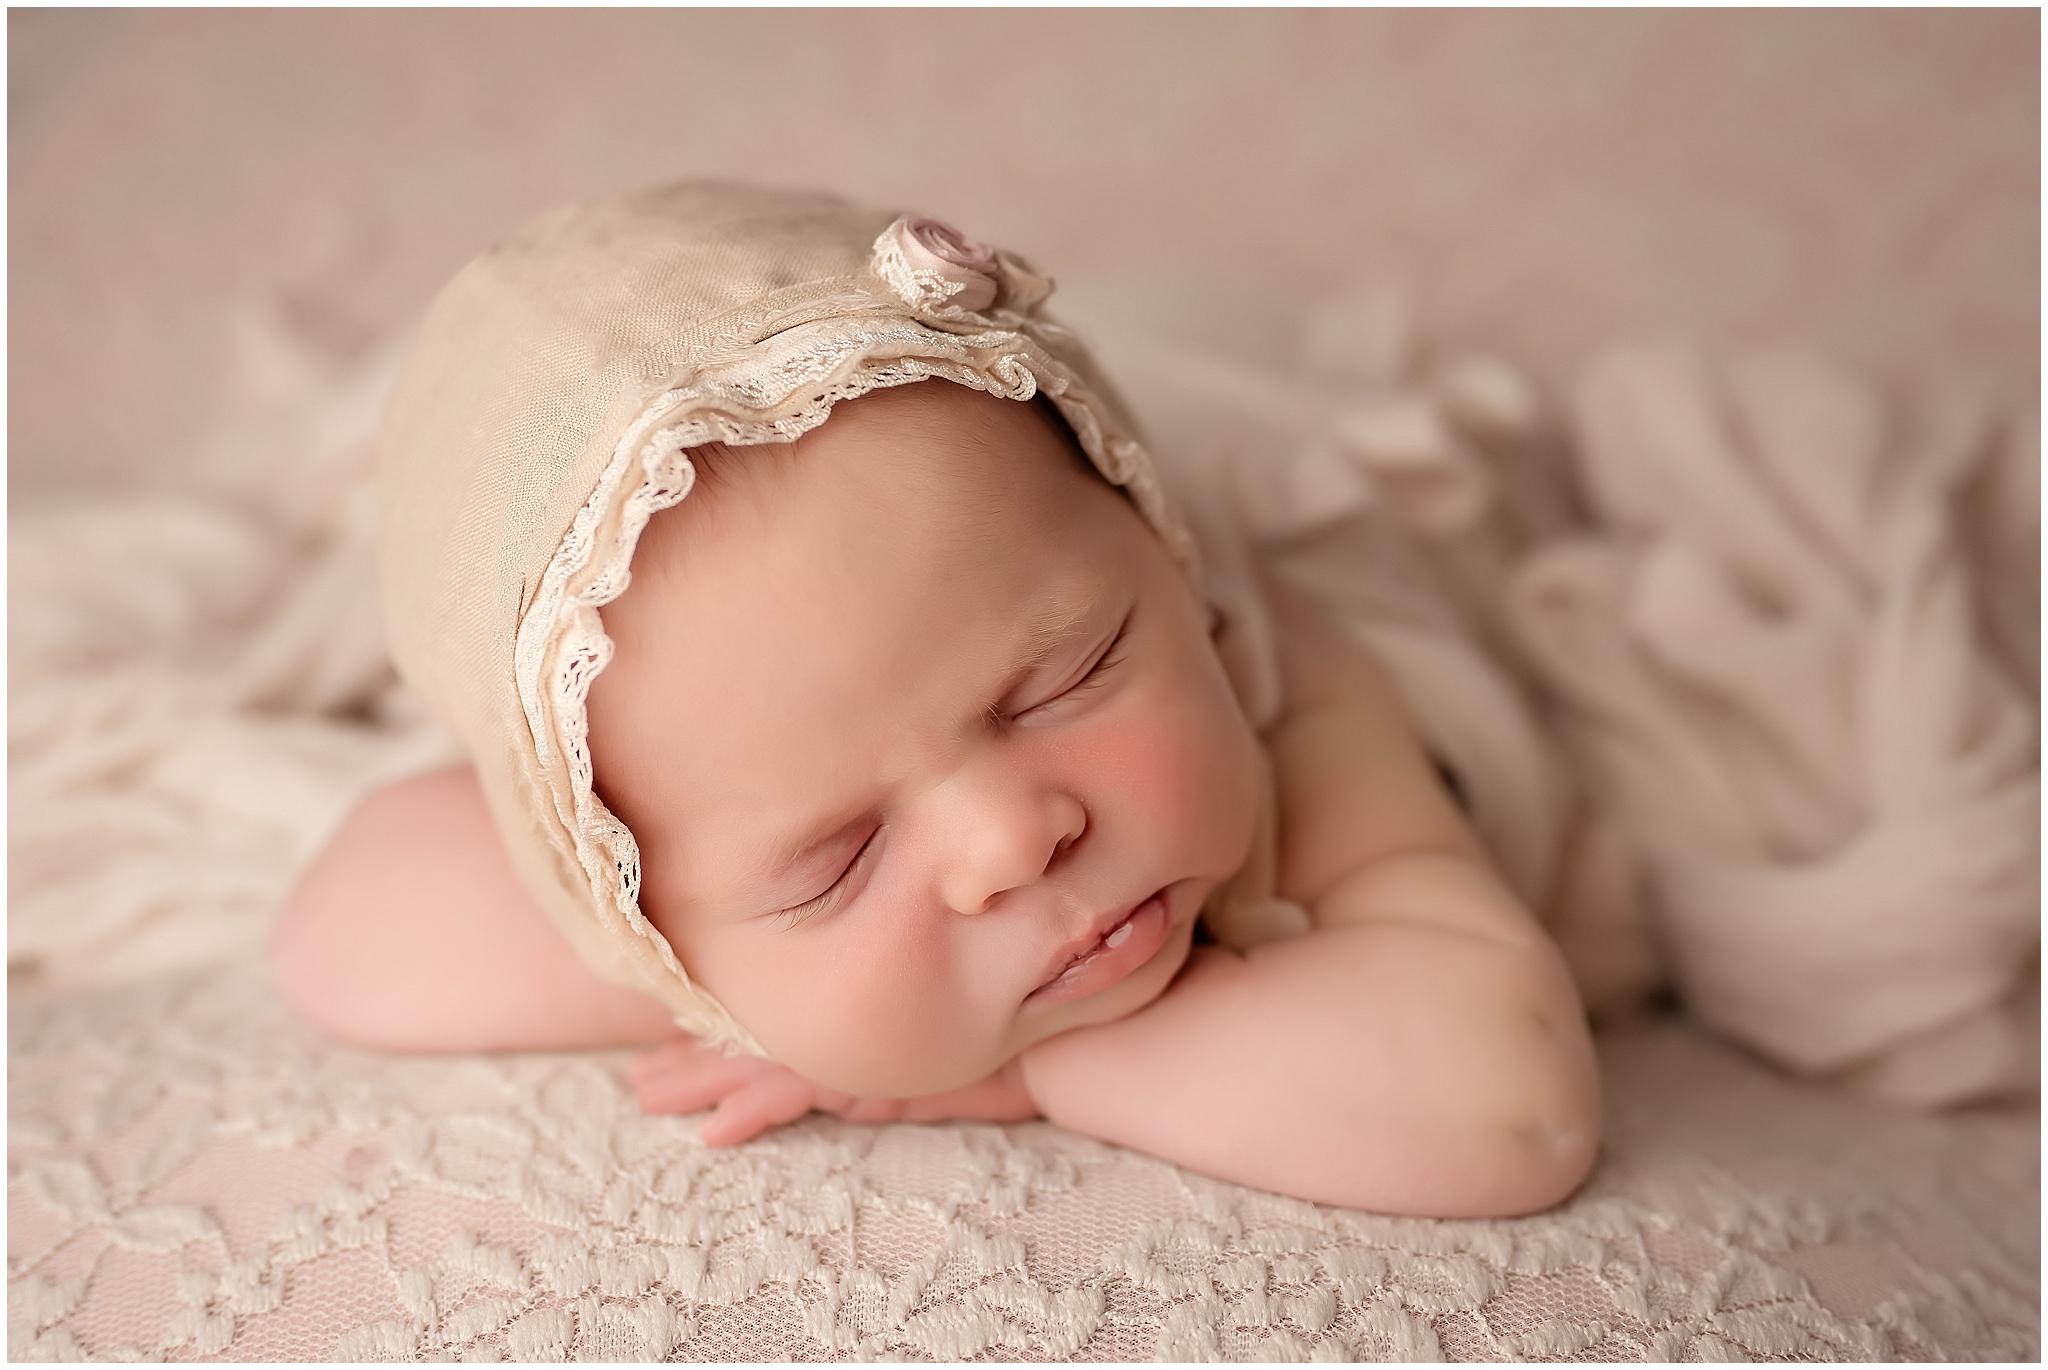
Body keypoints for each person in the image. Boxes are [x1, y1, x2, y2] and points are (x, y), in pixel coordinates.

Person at [270, 182, 1599, 1218]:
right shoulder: (647, 814)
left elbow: (1509, 1100)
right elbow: (338, 927)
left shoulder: (1280, 673)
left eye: (1065, 678)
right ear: (640, 909)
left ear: (1169, 571)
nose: (1013, 841)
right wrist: (754, 994)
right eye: (838, 856)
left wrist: (1016, 1069)